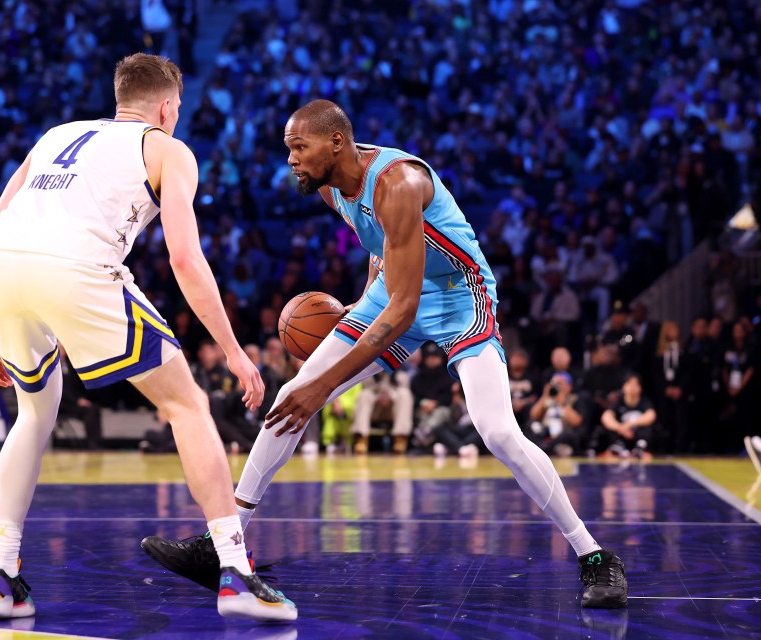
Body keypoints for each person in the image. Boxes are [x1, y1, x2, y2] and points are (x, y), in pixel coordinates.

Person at [143, 100, 627, 608]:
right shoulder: (330, 187)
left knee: (498, 430)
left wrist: (324, 385)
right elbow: (384, 247)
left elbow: (403, 305)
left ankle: (594, 555)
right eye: (289, 148)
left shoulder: (398, 183)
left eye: (298, 147)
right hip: (395, 292)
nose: (290, 160)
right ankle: (224, 543)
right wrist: (364, 295)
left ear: (336, 143)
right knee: (289, 397)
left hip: (458, 295)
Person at [0, 53, 295, 622]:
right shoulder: (169, 148)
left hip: (1, 269)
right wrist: (233, 352)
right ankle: (235, 573)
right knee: (188, 403)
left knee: (33, 414)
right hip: (75, 267)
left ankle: (1, 576)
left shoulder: (56, 135)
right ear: (168, 107)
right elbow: (184, 258)